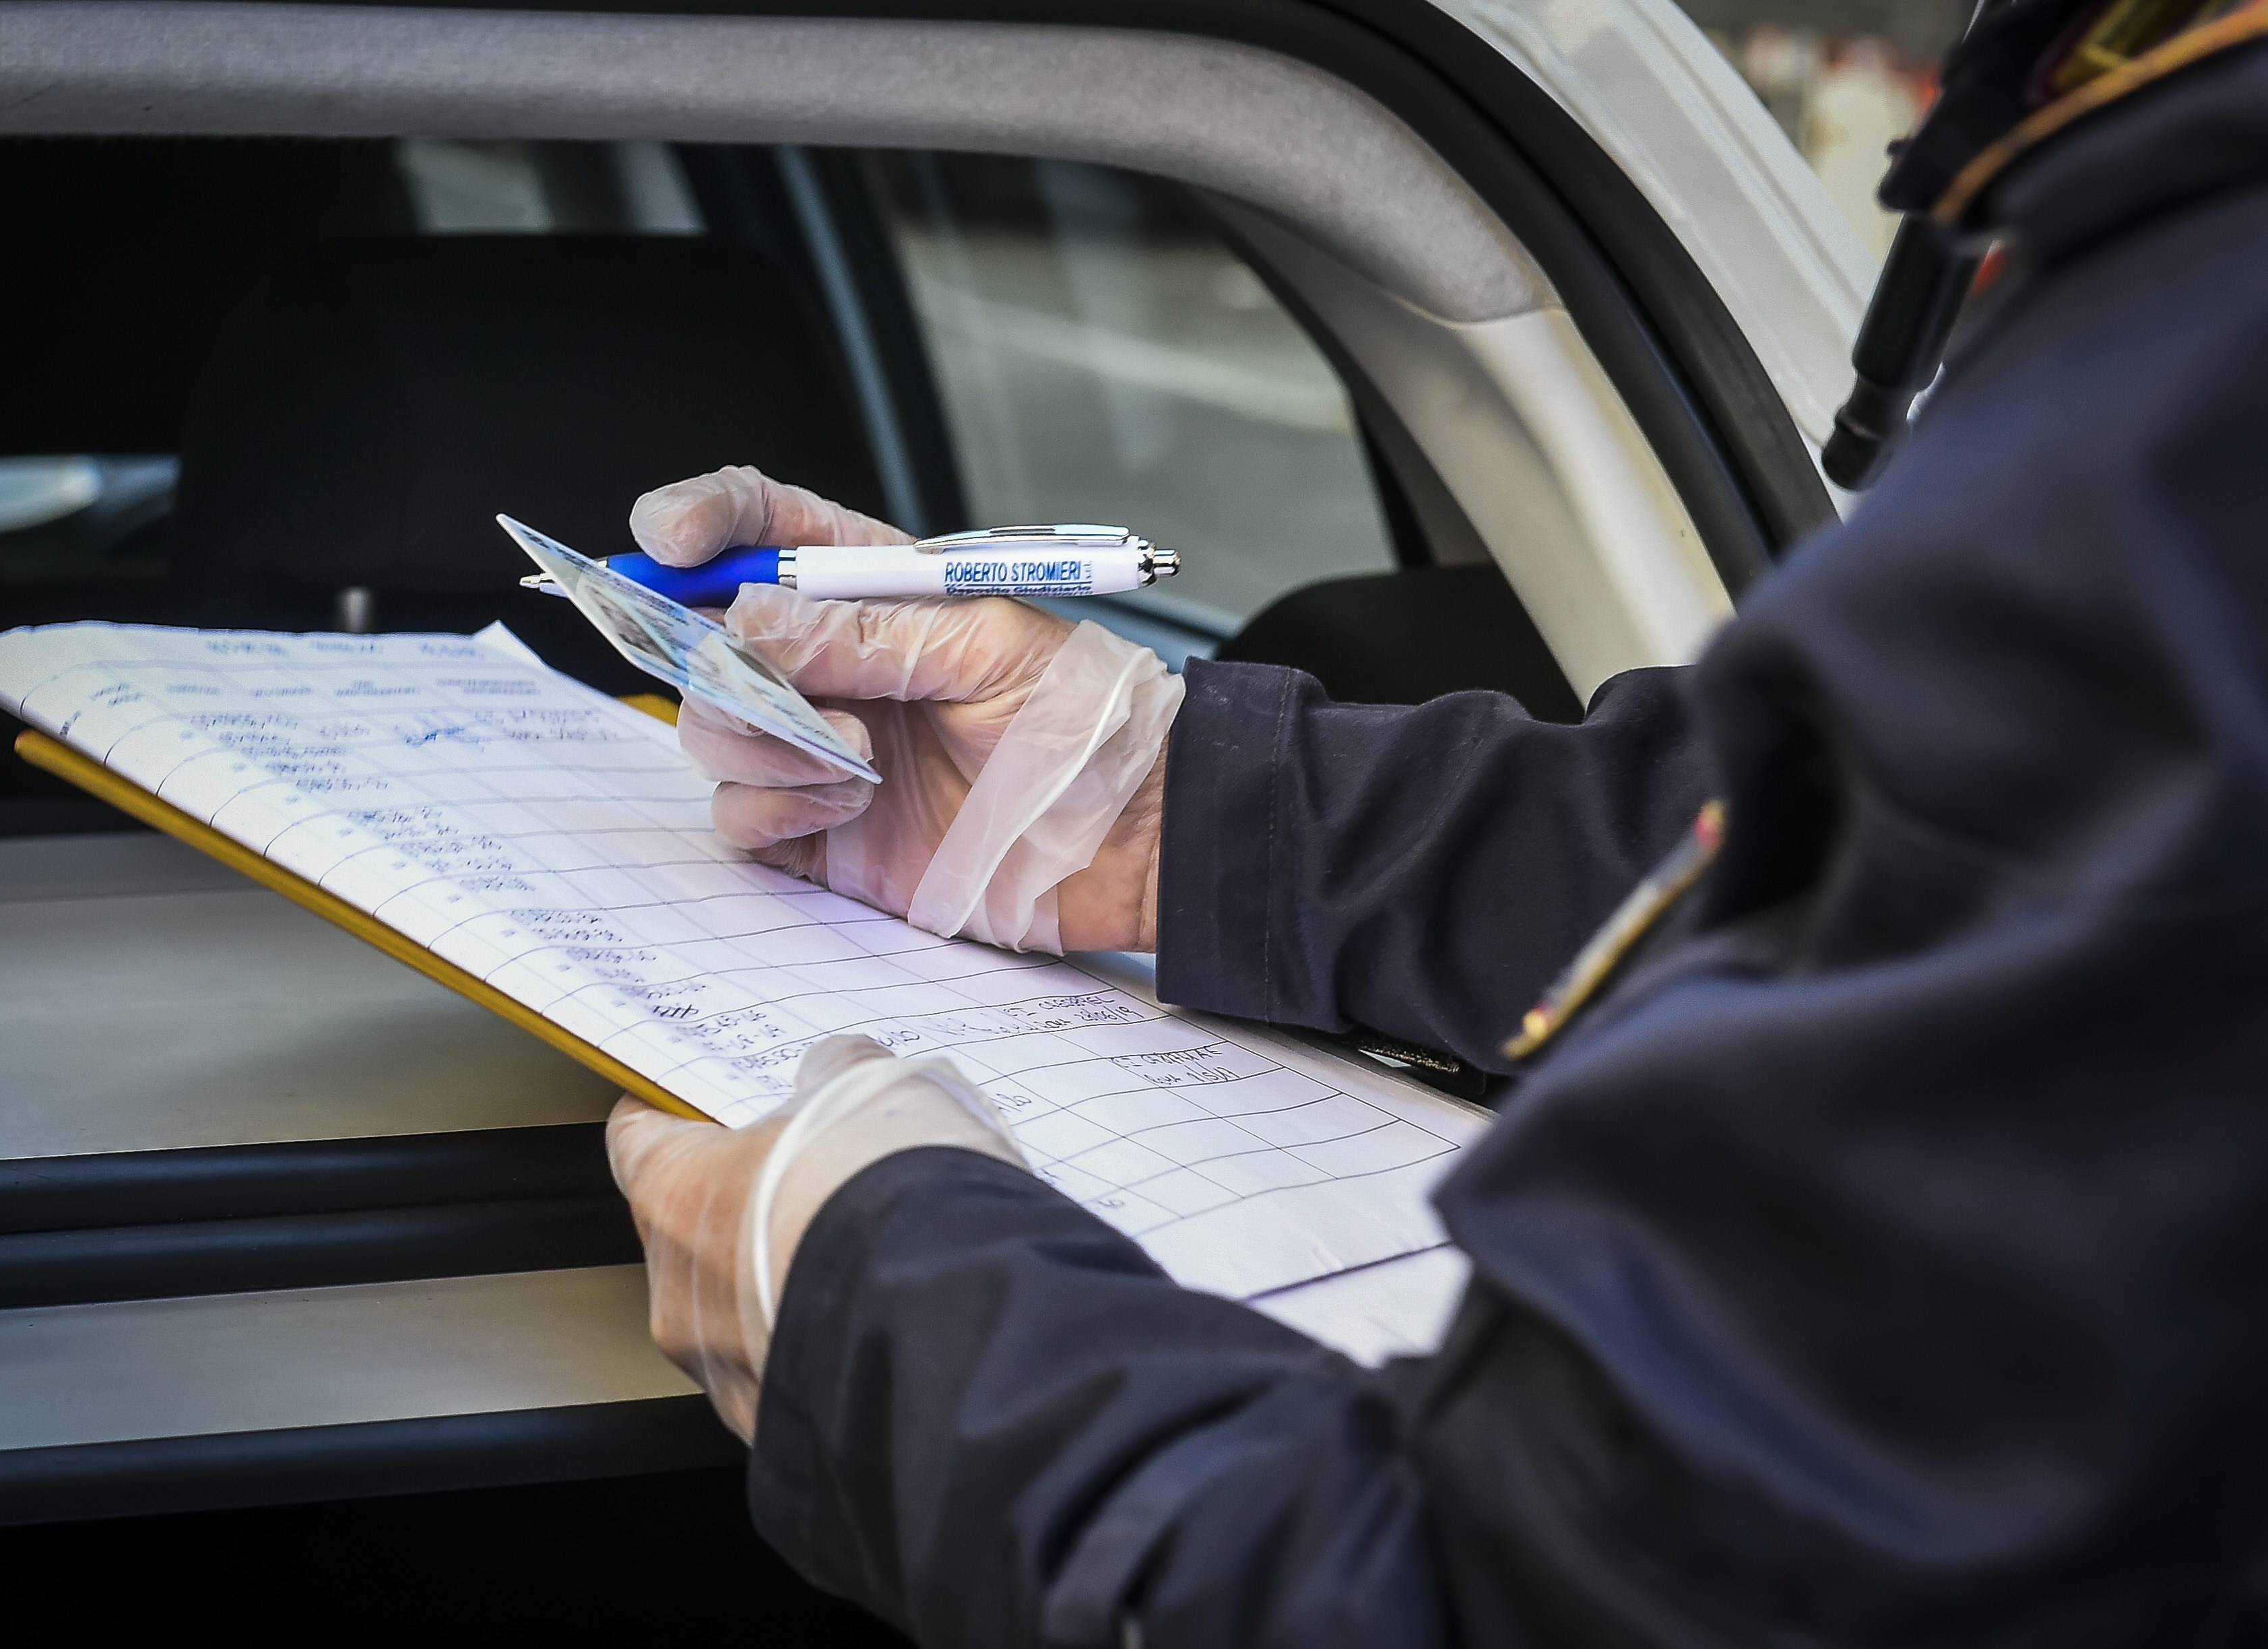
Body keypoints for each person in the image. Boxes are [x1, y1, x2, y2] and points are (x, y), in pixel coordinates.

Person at [606, 5, 2268, 1641]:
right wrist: (1178, 819)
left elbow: (1546, 1603)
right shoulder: (2177, 215)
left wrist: (892, 1333)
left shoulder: (2211, 339)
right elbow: (1861, 838)